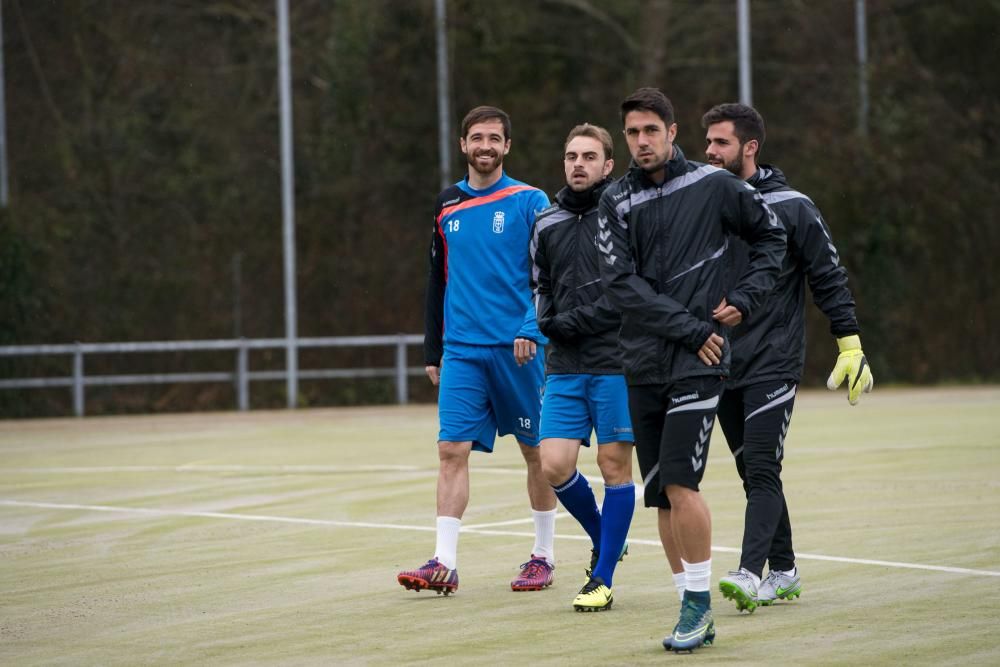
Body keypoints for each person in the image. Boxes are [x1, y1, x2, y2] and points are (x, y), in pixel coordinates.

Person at [597, 88, 786, 652]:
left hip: (699, 366)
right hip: (646, 362)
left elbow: (771, 235)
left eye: (651, 130)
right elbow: (620, 286)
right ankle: (688, 602)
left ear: (672, 131)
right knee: (658, 494)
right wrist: (693, 327)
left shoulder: (714, 185)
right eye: (632, 132)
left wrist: (747, 297)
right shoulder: (616, 200)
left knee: (681, 481)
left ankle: (699, 607)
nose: (641, 141)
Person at [699, 102, 874, 613]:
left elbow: (828, 276)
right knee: (752, 470)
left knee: (760, 466)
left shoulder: (793, 205)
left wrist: (850, 343)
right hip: (717, 359)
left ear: (750, 147)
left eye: (721, 143)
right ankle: (786, 569)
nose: (709, 152)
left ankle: (751, 573)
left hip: (774, 359)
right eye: (707, 142)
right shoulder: (702, 203)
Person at [397, 105, 558, 595]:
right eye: (477, 138)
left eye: (495, 138)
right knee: (450, 450)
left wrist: (534, 327)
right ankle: (443, 561)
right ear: (463, 145)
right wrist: (433, 350)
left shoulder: (531, 201)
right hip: (462, 351)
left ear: (507, 146)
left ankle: (543, 556)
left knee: (539, 455)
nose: (485, 146)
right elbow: (436, 280)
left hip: (520, 351)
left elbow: (550, 275)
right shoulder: (447, 205)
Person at [531, 124, 634, 613]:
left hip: (615, 360)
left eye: (590, 156)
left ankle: (603, 575)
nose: (579, 164)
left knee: (614, 468)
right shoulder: (546, 221)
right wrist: (545, 320)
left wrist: (566, 322)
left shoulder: (624, 216)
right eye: (571, 155)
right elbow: (540, 282)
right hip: (564, 364)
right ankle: (606, 536)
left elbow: (626, 292)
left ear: (608, 165)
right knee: (553, 464)